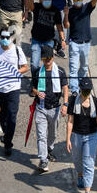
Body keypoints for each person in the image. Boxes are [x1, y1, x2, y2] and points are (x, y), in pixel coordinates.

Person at [29, 46, 68, 174]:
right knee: (41, 135)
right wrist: (37, 92)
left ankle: (49, 150)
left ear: (53, 57)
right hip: (40, 108)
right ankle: (43, 159)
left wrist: (65, 105)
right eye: (45, 59)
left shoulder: (60, 72)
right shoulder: (37, 73)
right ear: (42, 59)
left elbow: (65, 88)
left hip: (55, 109)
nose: (47, 61)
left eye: (49, 58)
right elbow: (32, 89)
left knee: (53, 134)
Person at [66, 78, 97, 193]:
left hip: (92, 136)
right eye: (84, 90)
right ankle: (80, 175)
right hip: (77, 135)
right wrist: (68, 139)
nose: (86, 93)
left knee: (89, 162)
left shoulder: (96, 102)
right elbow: (70, 121)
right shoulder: (73, 101)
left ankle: (88, 191)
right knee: (77, 159)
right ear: (80, 89)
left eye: (88, 90)